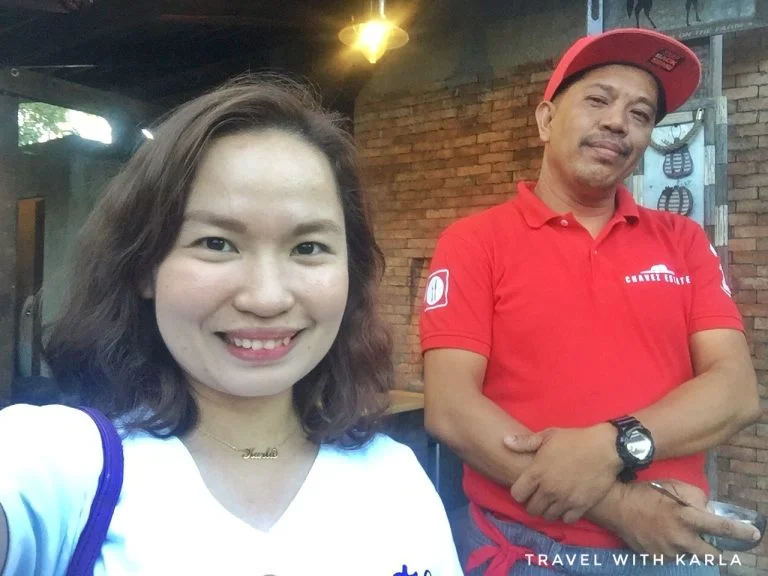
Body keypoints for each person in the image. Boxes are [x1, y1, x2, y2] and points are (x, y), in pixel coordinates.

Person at [0, 76, 463, 576]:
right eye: (217, 243)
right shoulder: (61, 465)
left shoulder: (398, 481)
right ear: (144, 267)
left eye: (308, 247)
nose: (267, 298)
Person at [420, 28, 762, 575]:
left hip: (672, 548)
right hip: (530, 550)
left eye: (640, 114)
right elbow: (452, 408)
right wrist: (620, 507)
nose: (618, 122)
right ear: (545, 119)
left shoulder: (682, 240)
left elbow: (735, 391)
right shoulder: (475, 242)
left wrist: (614, 445)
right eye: (598, 100)